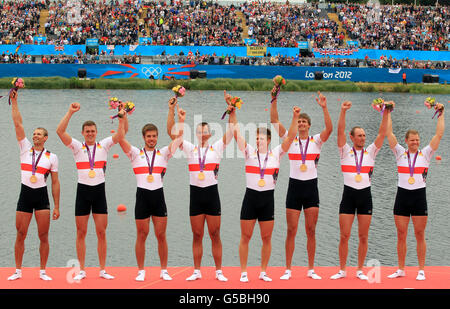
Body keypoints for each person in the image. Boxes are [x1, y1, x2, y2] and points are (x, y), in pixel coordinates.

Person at [229, 98, 300, 283]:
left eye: (262, 137)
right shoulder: (248, 152)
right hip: (250, 198)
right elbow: (236, 133)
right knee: (245, 236)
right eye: (257, 137)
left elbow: (291, 137)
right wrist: (232, 112)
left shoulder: (276, 153)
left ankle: (263, 272)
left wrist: (295, 117)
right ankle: (244, 272)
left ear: (268, 140)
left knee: (266, 237)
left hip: (268, 199)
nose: (258, 140)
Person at [166, 92, 234, 282]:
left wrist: (231, 110)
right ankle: (197, 271)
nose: (203, 134)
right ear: (196, 134)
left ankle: (219, 271)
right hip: (195, 195)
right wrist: (173, 111)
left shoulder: (217, 148)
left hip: (212, 195)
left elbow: (231, 131)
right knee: (197, 234)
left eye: (206, 132)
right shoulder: (189, 148)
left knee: (215, 234)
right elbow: (171, 133)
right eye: (200, 132)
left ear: (210, 134)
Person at [56, 102, 126, 281]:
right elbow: (60, 132)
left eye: (92, 131)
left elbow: (120, 135)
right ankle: (81, 269)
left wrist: (121, 117)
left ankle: (103, 270)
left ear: (96, 132)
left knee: (102, 232)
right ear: (83, 133)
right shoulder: (77, 146)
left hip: (99, 193)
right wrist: (70, 112)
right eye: (87, 131)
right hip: (83, 192)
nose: (90, 133)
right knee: (81, 232)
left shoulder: (104, 145)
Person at [119, 103, 186, 282]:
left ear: (157, 137)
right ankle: (141, 270)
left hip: (158, 197)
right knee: (141, 235)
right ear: (143, 137)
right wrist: (122, 116)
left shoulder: (164, 153)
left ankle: (164, 270)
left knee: (161, 235)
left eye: (154, 136)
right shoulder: (134, 153)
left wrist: (181, 119)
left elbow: (179, 140)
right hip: (142, 197)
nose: (151, 139)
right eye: (148, 136)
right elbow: (119, 138)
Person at [270, 90, 332, 280]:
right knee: (291, 230)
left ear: (309, 125)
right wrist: (274, 99)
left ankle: (311, 269)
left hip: (311, 187)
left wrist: (324, 108)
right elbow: (274, 121)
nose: (301, 124)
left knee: (311, 230)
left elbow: (329, 129)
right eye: (299, 122)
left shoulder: (316, 141)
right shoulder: (289, 139)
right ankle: (288, 269)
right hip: (294, 187)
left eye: (304, 122)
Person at [331, 100, 390, 280]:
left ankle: (359, 270)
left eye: (364, 136)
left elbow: (381, 133)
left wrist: (386, 112)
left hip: (365, 196)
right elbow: (340, 131)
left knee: (363, 236)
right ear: (352, 137)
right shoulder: (344, 151)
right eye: (359, 136)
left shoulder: (371, 152)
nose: (363, 138)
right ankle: (342, 270)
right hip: (348, 196)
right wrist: (343, 111)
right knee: (344, 236)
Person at [386, 101, 444, 281]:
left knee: (420, 234)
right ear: (406, 141)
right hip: (402, 196)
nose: (415, 142)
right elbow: (388, 133)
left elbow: (439, 134)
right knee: (401, 235)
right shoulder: (399, 152)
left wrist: (441, 113)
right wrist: (387, 111)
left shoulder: (426, 153)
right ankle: (401, 269)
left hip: (419, 196)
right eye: (412, 140)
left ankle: (420, 270)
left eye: (417, 140)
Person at [7, 89, 60, 281]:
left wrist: (57, 206)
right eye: (34, 134)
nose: (35, 136)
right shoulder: (25, 148)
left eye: (39, 134)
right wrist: (15, 101)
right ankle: (18, 271)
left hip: (41, 196)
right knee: (20, 233)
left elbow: (55, 182)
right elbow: (17, 123)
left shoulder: (52, 157)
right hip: (25, 195)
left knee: (43, 235)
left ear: (45, 138)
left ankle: (43, 271)